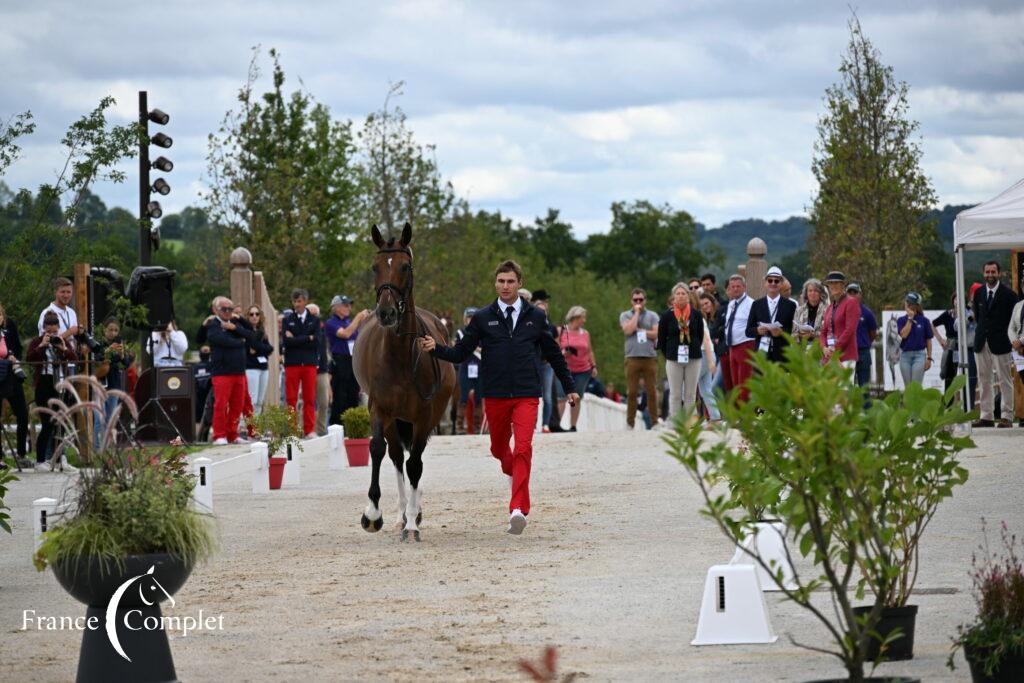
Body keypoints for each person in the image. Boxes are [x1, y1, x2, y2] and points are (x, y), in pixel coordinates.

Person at [418, 260, 578, 536]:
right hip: (495, 394)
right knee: (498, 449)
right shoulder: (482, 317)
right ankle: (514, 472)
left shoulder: (536, 317)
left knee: (523, 449)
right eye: (501, 281)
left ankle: (518, 509)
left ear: (519, 283)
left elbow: (553, 355)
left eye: (510, 281)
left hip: (527, 393)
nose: (505, 286)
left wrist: (570, 386)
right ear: (496, 283)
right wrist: (436, 349)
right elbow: (460, 353)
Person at [26, 312, 78, 470]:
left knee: (61, 423)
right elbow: (29, 359)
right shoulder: (37, 341)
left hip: (60, 383)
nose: (52, 334)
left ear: (58, 329)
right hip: (44, 383)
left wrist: (63, 348)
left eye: (55, 332)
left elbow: (74, 358)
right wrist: (41, 345)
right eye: (49, 332)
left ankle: (61, 458)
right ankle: (40, 461)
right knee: (47, 424)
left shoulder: (62, 341)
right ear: (44, 329)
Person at [971, 261, 1019, 428]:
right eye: (987, 272)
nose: (990, 275)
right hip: (981, 342)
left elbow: (1015, 320)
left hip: (1002, 343)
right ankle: (986, 416)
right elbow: (978, 316)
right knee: (983, 380)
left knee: (1005, 380)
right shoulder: (978, 293)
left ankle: (1006, 416)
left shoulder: (1009, 295)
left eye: (993, 272)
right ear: (983, 273)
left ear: (999, 273)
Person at [658, 283, 715, 421]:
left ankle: (690, 422)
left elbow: (700, 335)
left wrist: (693, 347)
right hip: (673, 358)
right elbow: (661, 338)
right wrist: (668, 354)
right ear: (673, 297)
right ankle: (676, 421)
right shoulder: (667, 316)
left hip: (693, 358)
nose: (680, 296)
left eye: (683, 293)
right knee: (676, 393)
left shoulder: (696, 315)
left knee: (690, 393)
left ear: (688, 296)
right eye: (677, 294)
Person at [205, 296, 253, 445]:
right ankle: (219, 434)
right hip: (222, 372)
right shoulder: (213, 325)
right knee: (221, 404)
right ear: (216, 310)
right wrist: (239, 342)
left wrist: (236, 326)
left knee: (237, 405)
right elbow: (220, 340)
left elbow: (251, 333)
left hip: (239, 371)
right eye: (224, 309)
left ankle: (232, 434)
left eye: (230, 309)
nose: (227, 312)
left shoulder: (235, 324)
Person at [324, 295, 369, 426]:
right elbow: (345, 334)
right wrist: (359, 317)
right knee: (340, 396)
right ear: (336, 307)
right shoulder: (331, 323)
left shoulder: (349, 322)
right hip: (340, 361)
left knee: (353, 395)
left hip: (352, 361)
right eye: (345, 305)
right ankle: (337, 426)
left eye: (349, 305)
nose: (349, 308)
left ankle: (352, 427)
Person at [282, 288, 320, 438]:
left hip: (309, 363)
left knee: (309, 398)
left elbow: (316, 341)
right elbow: (287, 342)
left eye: (299, 301)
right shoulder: (287, 319)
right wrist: (307, 338)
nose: (296, 304)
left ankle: (309, 430)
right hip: (292, 363)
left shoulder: (315, 320)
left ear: (305, 301)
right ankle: (292, 430)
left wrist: (296, 338)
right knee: (291, 398)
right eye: (294, 301)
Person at [620, 288, 660, 429]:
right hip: (632, 357)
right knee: (631, 392)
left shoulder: (653, 315)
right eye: (635, 300)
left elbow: (656, 333)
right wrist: (636, 313)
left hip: (649, 357)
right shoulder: (625, 315)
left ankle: (655, 422)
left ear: (645, 300)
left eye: (641, 300)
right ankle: (630, 423)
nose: (638, 302)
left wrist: (643, 331)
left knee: (651, 391)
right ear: (631, 301)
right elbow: (628, 330)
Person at [93, 317, 133, 449]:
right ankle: (97, 449)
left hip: (114, 385)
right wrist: (108, 351)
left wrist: (122, 355)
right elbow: (97, 360)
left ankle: (107, 449)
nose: (113, 333)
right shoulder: (98, 344)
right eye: (110, 330)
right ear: (104, 330)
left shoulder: (120, 344)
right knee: (99, 419)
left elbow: (126, 364)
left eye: (116, 330)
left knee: (110, 420)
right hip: (100, 384)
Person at [931, 293, 978, 405]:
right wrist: (940, 340)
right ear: (953, 301)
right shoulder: (948, 314)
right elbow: (932, 324)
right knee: (950, 377)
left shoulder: (969, 312)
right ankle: (947, 406)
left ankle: (967, 406)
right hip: (952, 346)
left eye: (960, 299)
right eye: (956, 299)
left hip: (966, 347)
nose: (958, 301)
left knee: (965, 376)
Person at [745, 266, 797, 364]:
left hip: (782, 355)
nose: (773, 283)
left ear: (781, 284)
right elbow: (748, 331)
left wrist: (781, 332)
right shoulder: (757, 304)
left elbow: (795, 331)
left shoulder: (790, 305)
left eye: (776, 281)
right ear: (765, 283)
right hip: (762, 354)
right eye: (770, 281)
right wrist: (757, 330)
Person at [0, 301, 30, 465]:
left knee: (22, 413)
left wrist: (14, 358)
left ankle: (21, 453)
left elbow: (18, 347)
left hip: (11, 372)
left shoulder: (10, 325)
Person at [559, 306, 597, 432]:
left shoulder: (585, 333)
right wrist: (564, 352)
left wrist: (594, 366)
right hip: (564, 369)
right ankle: (556, 425)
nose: (584, 320)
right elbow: (555, 349)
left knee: (576, 398)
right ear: (575, 318)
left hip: (583, 370)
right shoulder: (562, 331)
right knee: (562, 397)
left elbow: (590, 351)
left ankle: (573, 426)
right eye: (582, 318)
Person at [722, 275, 756, 402]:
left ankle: (749, 415)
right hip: (732, 347)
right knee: (735, 383)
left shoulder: (751, 304)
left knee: (745, 383)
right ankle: (738, 415)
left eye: (738, 286)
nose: (735, 289)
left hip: (745, 344)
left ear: (744, 287)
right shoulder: (731, 304)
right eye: (732, 287)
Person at [820, 271, 860, 373]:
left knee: (844, 388)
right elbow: (823, 332)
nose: (833, 286)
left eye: (837, 283)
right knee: (829, 388)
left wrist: (834, 349)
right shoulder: (830, 307)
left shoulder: (851, 302)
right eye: (831, 283)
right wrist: (824, 348)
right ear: (828, 286)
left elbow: (849, 330)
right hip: (829, 356)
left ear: (843, 285)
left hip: (846, 355)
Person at [531, 290, 559, 433]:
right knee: (533, 394)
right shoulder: (529, 326)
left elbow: (556, 346)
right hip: (533, 363)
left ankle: (545, 424)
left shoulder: (552, 328)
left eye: (544, 311)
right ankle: (533, 423)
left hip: (547, 364)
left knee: (547, 396)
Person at [896, 292, 934, 387]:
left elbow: (928, 340)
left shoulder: (924, 321)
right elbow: (903, 335)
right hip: (905, 356)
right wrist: (910, 319)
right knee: (908, 387)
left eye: (911, 303)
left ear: (917, 306)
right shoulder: (901, 320)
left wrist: (929, 358)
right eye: (907, 302)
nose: (908, 304)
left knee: (915, 386)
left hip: (919, 356)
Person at [305, 303, 331, 436]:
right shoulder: (303, 329)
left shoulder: (322, 330)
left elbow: (325, 350)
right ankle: (306, 429)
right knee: (306, 400)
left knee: (324, 402)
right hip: (307, 366)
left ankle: (321, 429)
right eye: (311, 314)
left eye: (316, 314)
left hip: (321, 370)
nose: (314, 316)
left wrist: (327, 370)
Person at [697, 292, 723, 422]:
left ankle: (688, 419)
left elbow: (706, 340)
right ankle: (715, 417)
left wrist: (711, 362)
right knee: (706, 389)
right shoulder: (702, 318)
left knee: (687, 386)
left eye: (706, 303)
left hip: (704, 354)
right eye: (701, 305)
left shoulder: (696, 319)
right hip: (709, 353)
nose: (703, 307)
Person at [244, 306, 274, 416]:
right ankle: (245, 426)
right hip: (251, 368)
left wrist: (258, 347)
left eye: (257, 314)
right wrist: (261, 348)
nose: (254, 316)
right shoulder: (245, 332)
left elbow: (270, 349)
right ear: (247, 317)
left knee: (260, 400)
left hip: (263, 368)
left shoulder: (262, 332)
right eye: (251, 314)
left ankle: (255, 426)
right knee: (252, 399)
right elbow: (250, 350)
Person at [847, 283, 878, 388]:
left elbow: (873, 333)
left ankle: (866, 405)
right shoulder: (842, 312)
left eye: (855, 293)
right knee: (847, 386)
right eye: (849, 293)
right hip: (847, 352)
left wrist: (865, 342)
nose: (852, 295)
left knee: (864, 387)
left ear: (860, 295)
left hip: (863, 352)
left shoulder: (867, 313)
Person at [37, 277, 80, 350]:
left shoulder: (72, 312)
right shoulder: (46, 312)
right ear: (55, 292)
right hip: (54, 358)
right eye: (63, 292)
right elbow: (44, 341)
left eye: (68, 292)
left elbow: (73, 339)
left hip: (71, 358)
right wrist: (69, 332)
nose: (66, 295)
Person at [794, 278, 830, 347]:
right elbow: (793, 333)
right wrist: (800, 336)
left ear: (820, 293)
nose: (813, 293)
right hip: (802, 349)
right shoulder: (799, 310)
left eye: (816, 291)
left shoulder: (827, 310)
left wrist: (813, 335)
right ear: (806, 293)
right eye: (810, 291)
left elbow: (829, 333)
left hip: (821, 349)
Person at [1010, 294, 1024, 427]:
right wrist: (1015, 341)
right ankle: (1022, 416)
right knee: (1021, 381)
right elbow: (1011, 327)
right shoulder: (1018, 305)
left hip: (1021, 344)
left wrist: (1021, 341)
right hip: (1019, 351)